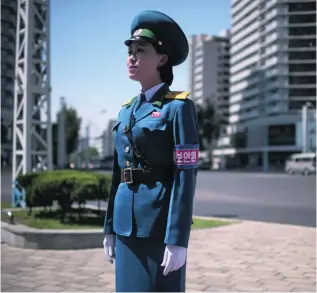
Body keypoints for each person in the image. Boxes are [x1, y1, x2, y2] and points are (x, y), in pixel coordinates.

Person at [103, 10, 199, 292]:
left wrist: (178, 238)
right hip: (124, 225)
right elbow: (117, 175)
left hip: (159, 227)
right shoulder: (125, 111)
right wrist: (108, 226)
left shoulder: (178, 108)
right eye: (130, 51)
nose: (131, 57)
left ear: (162, 59)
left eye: (140, 51)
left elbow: (185, 176)